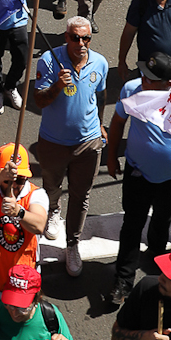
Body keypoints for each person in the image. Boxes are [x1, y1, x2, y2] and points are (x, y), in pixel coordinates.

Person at [105, 50, 171, 307]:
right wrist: (111, 156)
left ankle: (155, 262)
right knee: (132, 225)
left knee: (161, 222)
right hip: (137, 173)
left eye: (149, 77)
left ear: (168, 83)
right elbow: (118, 122)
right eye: (143, 74)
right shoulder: (132, 89)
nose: (143, 79)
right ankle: (123, 280)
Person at [33, 16, 108, 275]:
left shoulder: (100, 63)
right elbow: (39, 100)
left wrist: (101, 123)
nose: (81, 43)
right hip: (53, 142)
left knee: (81, 194)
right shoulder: (49, 60)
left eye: (85, 38)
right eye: (75, 38)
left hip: (87, 144)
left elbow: (101, 96)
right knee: (51, 186)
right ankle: (54, 210)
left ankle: (72, 243)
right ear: (66, 37)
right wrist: (56, 86)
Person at [0, 145, 49, 325]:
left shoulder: (37, 194)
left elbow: (39, 224)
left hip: (20, 289)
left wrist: (19, 212)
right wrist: (2, 176)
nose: (16, 186)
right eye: (10, 180)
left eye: (21, 180)